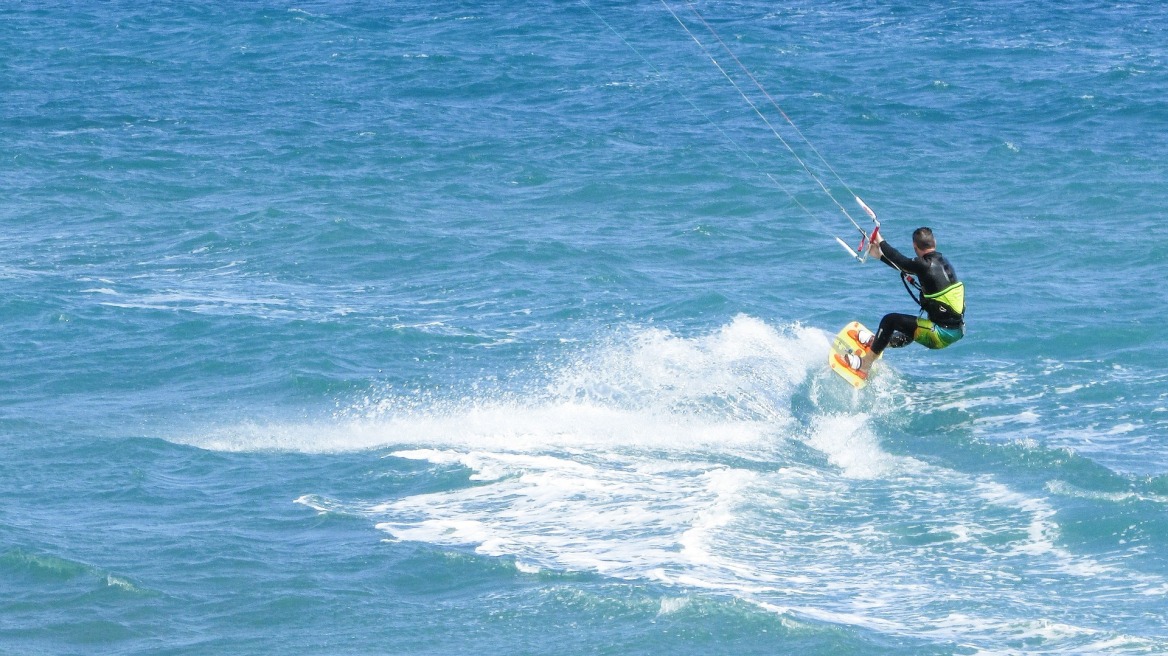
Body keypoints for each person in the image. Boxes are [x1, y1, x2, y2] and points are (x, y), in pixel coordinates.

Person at [836, 227, 965, 379]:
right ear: (934, 242)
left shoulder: (924, 265)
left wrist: (880, 240)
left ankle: (865, 365)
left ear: (914, 247)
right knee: (910, 329)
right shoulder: (942, 262)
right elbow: (908, 268)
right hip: (956, 330)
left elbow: (901, 261)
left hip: (941, 334)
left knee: (890, 320)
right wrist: (880, 257)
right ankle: (876, 342)